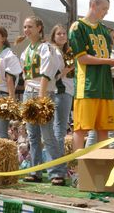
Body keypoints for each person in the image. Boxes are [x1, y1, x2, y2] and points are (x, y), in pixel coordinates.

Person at [68, 0, 114, 152]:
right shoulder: (78, 27)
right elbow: (82, 59)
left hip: (105, 87)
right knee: (81, 129)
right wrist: (110, 61)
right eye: (104, 9)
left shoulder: (104, 31)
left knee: (104, 130)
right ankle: (78, 171)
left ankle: (102, 171)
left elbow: (107, 59)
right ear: (93, 5)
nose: (106, 12)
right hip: (87, 87)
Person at [18, 16, 66, 186]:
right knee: (32, 135)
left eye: (30, 26)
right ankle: (35, 171)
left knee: (47, 134)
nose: (26, 30)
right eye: (24, 26)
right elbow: (26, 77)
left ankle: (57, 172)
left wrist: (41, 96)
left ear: (39, 28)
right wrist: (27, 96)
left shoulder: (48, 48)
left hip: (43, 93)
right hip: (29, 93)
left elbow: (50, 73)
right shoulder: (25, 51)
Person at [85, 27, 114, 148]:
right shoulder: (97, 53)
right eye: (110, 37)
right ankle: (86, 161)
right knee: (94, 130)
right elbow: (111, 72)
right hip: (100, 94)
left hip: (113, 94)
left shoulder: (113, 53)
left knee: (112, 129)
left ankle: (111, 162)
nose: (112, 40)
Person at [50, 24, 74, 176]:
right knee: (58, 130)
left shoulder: (69, 52)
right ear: (53, 36)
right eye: (59, 34)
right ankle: (58, 167)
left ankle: (57, 165)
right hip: (59, 91)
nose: (62, 36)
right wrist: (67, 69)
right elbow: (54, 76)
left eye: (64, 33)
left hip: (68, 91)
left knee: (59, 130)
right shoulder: (53, 51)